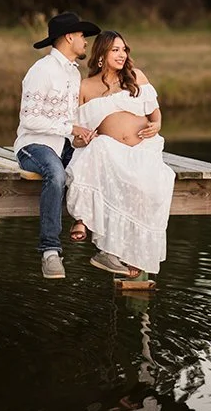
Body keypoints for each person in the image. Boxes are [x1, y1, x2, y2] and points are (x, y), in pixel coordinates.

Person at [65, 30, 175, 278]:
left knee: (152, 184)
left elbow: (155, 114)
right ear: (101, 54)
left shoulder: (136, 77)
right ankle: (84, 220)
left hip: (142, 148)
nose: (122, 54)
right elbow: (75, 133)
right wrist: (81, 138)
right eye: (115, 49)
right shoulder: (86, 86)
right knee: (98, 147)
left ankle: (133, 253)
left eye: (124, 49)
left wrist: (156, 125)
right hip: (110, 150)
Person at [14, 11, 101, 279]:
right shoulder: (41, 70)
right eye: (82, 36)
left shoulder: (74, 75)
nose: (85, 41)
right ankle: (50, 251)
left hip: (63, 144)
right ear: (69, 37)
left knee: (100, 159)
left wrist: (79, 136)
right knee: (56, 174)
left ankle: (97, 237)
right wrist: (69, 129)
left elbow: (70, 120)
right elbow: (29, 119)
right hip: (34, 145)